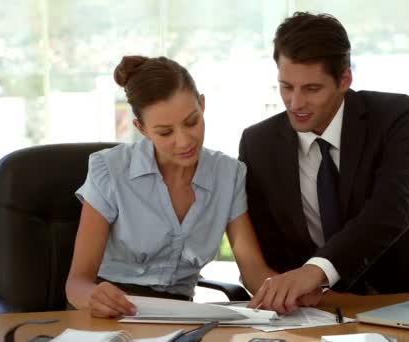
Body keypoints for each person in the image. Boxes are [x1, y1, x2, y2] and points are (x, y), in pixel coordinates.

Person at [242, 12, 409, 314]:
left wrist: (316, 272)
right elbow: (269, 247)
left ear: (344, 79)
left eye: (312, 89)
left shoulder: (393, 117)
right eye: (287, 86)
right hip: (318, 313)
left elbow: (390, 211)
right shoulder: (258, 144)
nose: (295, 103)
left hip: (407, 300)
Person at [66, 55, 276, 318]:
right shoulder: (110, 170)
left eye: (192, 122)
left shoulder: (228, 174)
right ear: (141, 129)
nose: (184, 141)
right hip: (109, 314)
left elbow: (253, 271)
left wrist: (284, 289)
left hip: (181, 316)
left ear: (202, 104)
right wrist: (92, 296)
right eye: (165, 133)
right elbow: (76, 284)